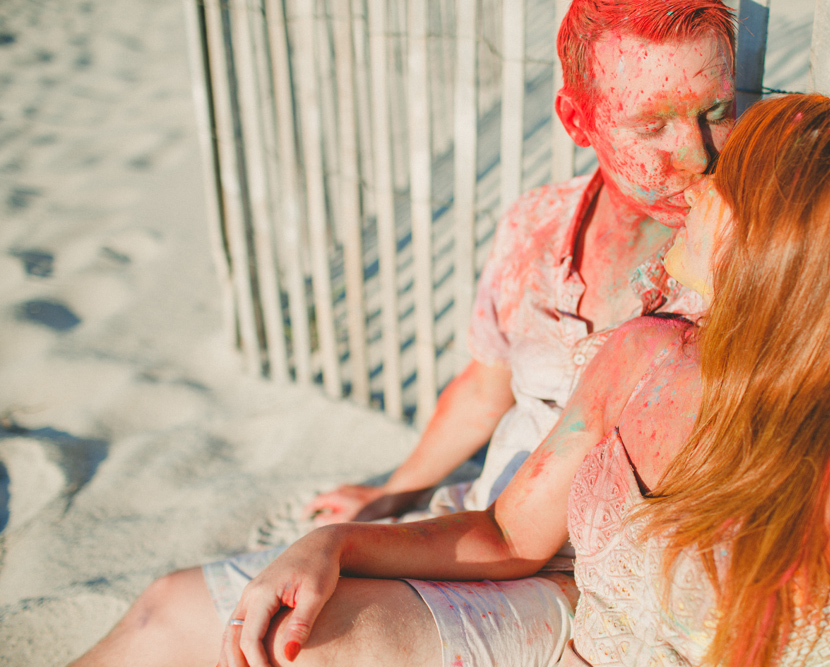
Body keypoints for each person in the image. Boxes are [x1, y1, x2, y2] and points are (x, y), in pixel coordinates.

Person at [217, 95, 830, 666]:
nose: (691, 186)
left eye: (724, 179)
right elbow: (508, 535)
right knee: (281, 640)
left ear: (780, 242)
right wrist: (334, 542)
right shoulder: (646, 355)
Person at [70, 2, 737, 666]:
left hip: (576, 585)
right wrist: (394, 489)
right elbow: (484, 387)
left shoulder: (745, 259)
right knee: (168, 606)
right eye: (652, 124)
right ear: (576, 119)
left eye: (715, 110)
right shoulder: (538, 226)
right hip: (479, 520)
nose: (698, 154)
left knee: (293, 641)